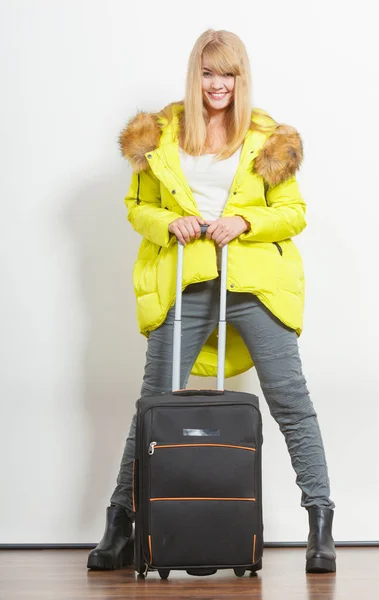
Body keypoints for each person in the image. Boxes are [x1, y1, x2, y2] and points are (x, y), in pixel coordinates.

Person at [87, 29, 336, 574]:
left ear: (240, 78)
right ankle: (120, 522)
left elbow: (293, 213)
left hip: (256, 282)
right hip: (187, 278)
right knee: (153, 403)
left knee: (291, 400)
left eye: (228, 74)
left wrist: (245, 220)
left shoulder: (269, 138)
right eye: (208, 73)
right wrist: (166, 222)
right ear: (194, 75)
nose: (217, 84)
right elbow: (137, 208)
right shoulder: (159, 135)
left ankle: (321, 520)